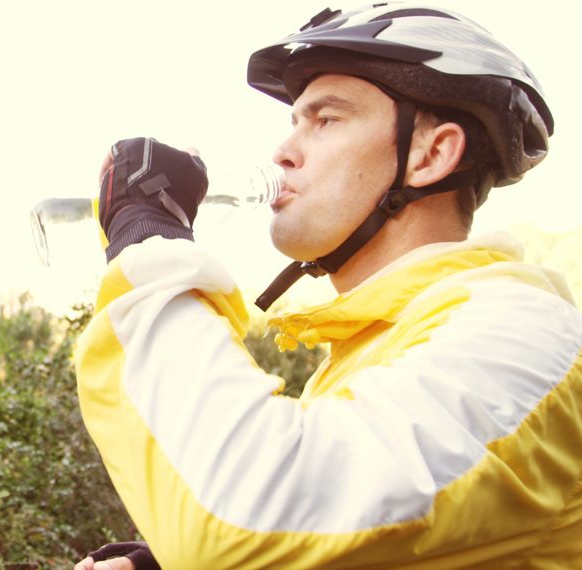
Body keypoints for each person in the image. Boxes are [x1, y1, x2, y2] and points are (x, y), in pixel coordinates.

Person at [73, 4, 581, 569]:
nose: (283, 151)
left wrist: (148, 235)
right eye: (294, 121)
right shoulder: (376, 352)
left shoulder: (522, 334)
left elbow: (249, 519)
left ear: (432, 154)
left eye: (327, 119)